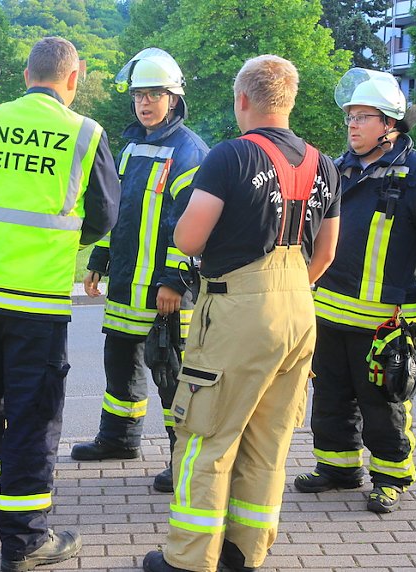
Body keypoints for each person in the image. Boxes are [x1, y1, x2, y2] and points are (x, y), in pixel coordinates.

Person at [143, 55, 341, 572]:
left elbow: (189, 237)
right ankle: (244, 552)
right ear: (290, 100)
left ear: (242, 100)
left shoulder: (230, 157)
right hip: (300, 305)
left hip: (238, 307)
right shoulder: (324, 163)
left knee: (206, 436)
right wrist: (287, 288)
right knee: (269, 439)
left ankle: (189, 559)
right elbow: (326, 254)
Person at [0, 36, 120, 572]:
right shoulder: (85, 132)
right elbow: (105, 214)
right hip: (36, 299)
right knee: (33, 418)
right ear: (74, 77)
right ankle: (25, 541)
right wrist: (55, 240)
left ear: (24, 73)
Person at [294, 68, 416, 513]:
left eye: (363, 117)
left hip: (385, 322)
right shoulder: (339, 169)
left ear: (389, 125)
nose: (353, 125)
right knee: (331, 398)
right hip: (329, 314)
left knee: (384, 403)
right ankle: (337, 468)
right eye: (350, 117)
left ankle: (392, 477)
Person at [70, 48, 208, 494]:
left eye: (154, 95)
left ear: (174, 98)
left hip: (166, 291)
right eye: (138, 95)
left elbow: (189, 225)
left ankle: (179, 457)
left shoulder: (190, 152)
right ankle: (119, 438)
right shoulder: (130, 147)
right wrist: (98, 259)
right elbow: (119, 213)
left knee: (170, 375)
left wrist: (174, 280)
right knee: (120, 366)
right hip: (127, 285)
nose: (144, 103)